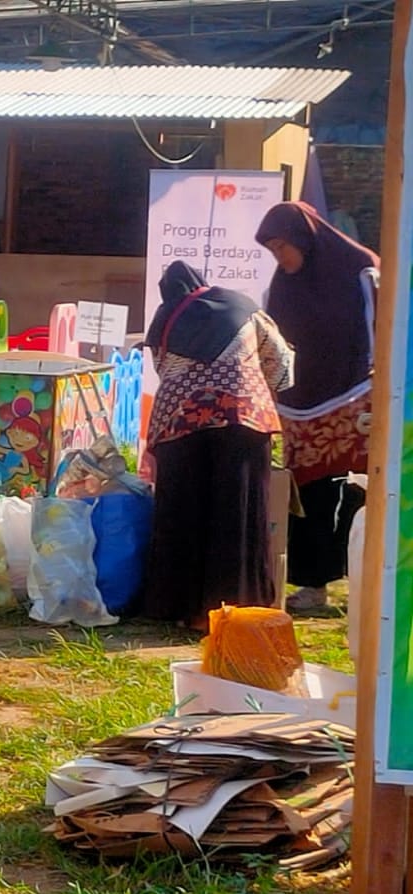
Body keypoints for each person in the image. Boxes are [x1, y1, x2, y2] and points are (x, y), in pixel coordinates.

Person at [142, 261, 295, 631]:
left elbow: (164, 370)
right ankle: (236, 609)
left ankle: (180, 608)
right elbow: (280, 363)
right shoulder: (241, 306)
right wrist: (267, 383)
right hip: (242, 416)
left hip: (180, 421)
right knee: (236, 512)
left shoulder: (164, 320)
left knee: (185, 512)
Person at [255, 202, 379, 613]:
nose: (279, 257)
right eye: (272, 250)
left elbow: (379, 328)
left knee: (364, 486)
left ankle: (367, 576)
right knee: (307, 495)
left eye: (282, 247)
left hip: (354, 398)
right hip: (299, 407)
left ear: (303, 237)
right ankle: (312, 584)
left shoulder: (359, 270)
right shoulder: (282, 285)